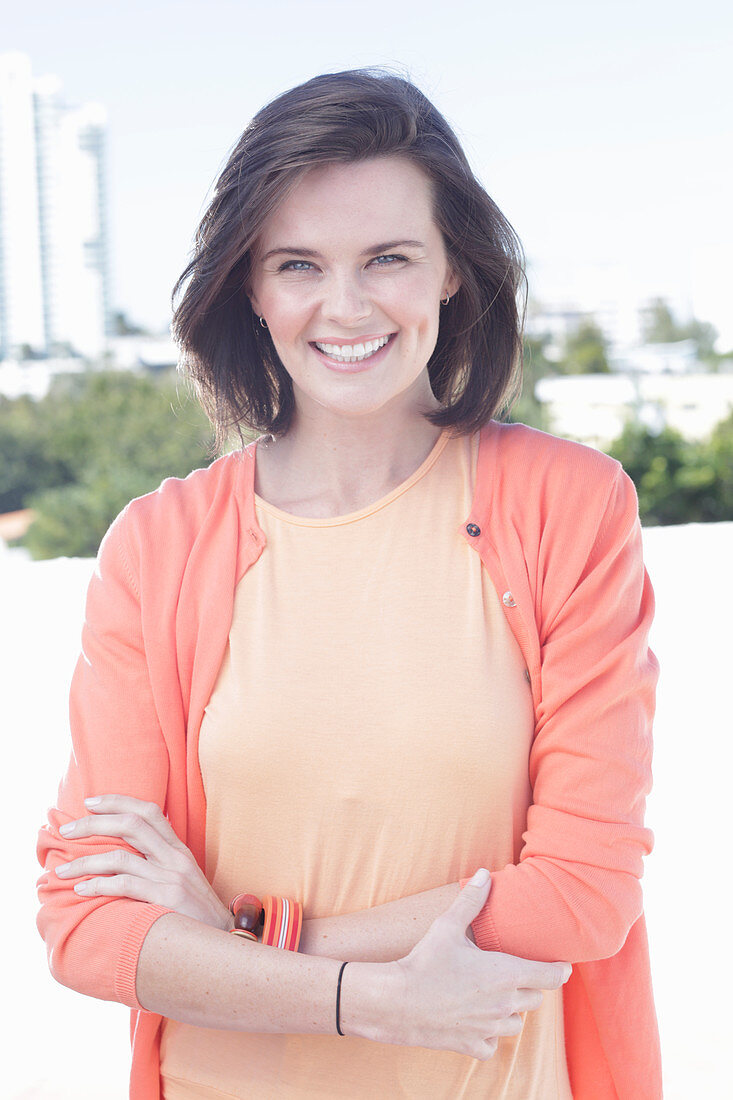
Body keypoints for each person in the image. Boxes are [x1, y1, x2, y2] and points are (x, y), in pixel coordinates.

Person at [36, 69, 660, 1099]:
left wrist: (246, 935)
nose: (345, 305)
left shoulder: (567, 509)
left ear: (453, 269)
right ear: (250, 283)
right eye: (298, 264)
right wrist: (365, 996)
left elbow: (581, 893)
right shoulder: (159, 546)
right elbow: (90, 923)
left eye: (388, 258)